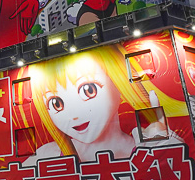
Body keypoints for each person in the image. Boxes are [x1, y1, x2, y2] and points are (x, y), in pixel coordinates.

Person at [24, 47, 186, 164]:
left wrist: (161, 146)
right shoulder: (48, 156)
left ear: (118, 82)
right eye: (56, 103)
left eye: (88, 90)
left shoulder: (150, 145)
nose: (73, 115)